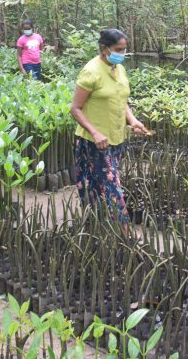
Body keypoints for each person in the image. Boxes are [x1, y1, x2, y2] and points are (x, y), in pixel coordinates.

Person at [70, 29, 148, 227]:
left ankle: (100, 227)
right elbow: (75, 109)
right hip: (94, 142)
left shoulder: (119, 68)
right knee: (112, 189)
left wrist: (133, 120)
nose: (122, 54)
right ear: (104, 48)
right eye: (118, 49)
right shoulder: (91, 71)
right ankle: (123, 233)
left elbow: (121, 100)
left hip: (116, 138)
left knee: (104, 186)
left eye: (124, 50)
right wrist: (95, 132)